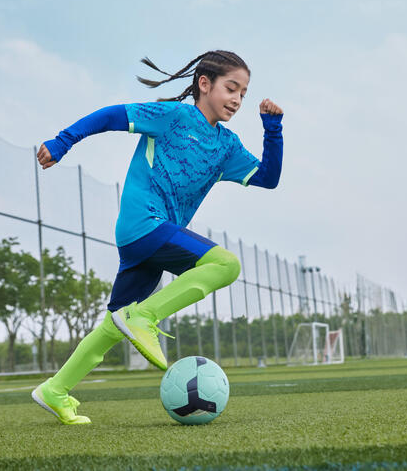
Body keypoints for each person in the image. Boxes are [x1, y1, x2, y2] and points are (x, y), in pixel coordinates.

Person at [31, 50, 284, 424]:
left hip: (152, 240)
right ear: (204, 84)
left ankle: (56, 389)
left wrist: (272, 129)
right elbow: (112, 116)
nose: (237, 100)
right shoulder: (174, 117)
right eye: (232, 88)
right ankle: (145, 317)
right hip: (143, 224)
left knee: (114, 323)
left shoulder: (226, 146)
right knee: (226, 265)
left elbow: (267, 178)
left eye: (243, 94)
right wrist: (64, 140)